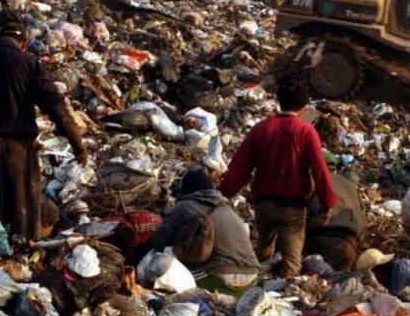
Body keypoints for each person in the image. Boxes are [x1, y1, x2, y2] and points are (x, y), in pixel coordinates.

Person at [219, 80, 336, 276]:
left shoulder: (262, 128)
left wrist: (223, 194)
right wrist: (327, 202)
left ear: (278, 101)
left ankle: (256, 282)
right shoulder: (306, 131)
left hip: (264, 204)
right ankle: (284, 296)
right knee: (291, 261)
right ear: (303, 106)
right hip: (293, 207)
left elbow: (240, 167)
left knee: (264, 247)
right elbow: (319, 170)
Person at [0, 10, 87, 240]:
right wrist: (77, 144)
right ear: (23, 43)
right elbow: (55, 103)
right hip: (17, 153)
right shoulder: (29, 64)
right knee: (21, 213)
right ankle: (20, 260)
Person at [150, 168, 261, 288]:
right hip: (252, 279)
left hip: (220, 278)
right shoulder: (228, 208)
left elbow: (159, 242)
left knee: (161, 263)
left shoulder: (184, 206)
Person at [305, 174, 367, 270]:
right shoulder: (350, 187)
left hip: (318, 236)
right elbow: (362, 222)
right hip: (348, 241)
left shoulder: (313, 181)